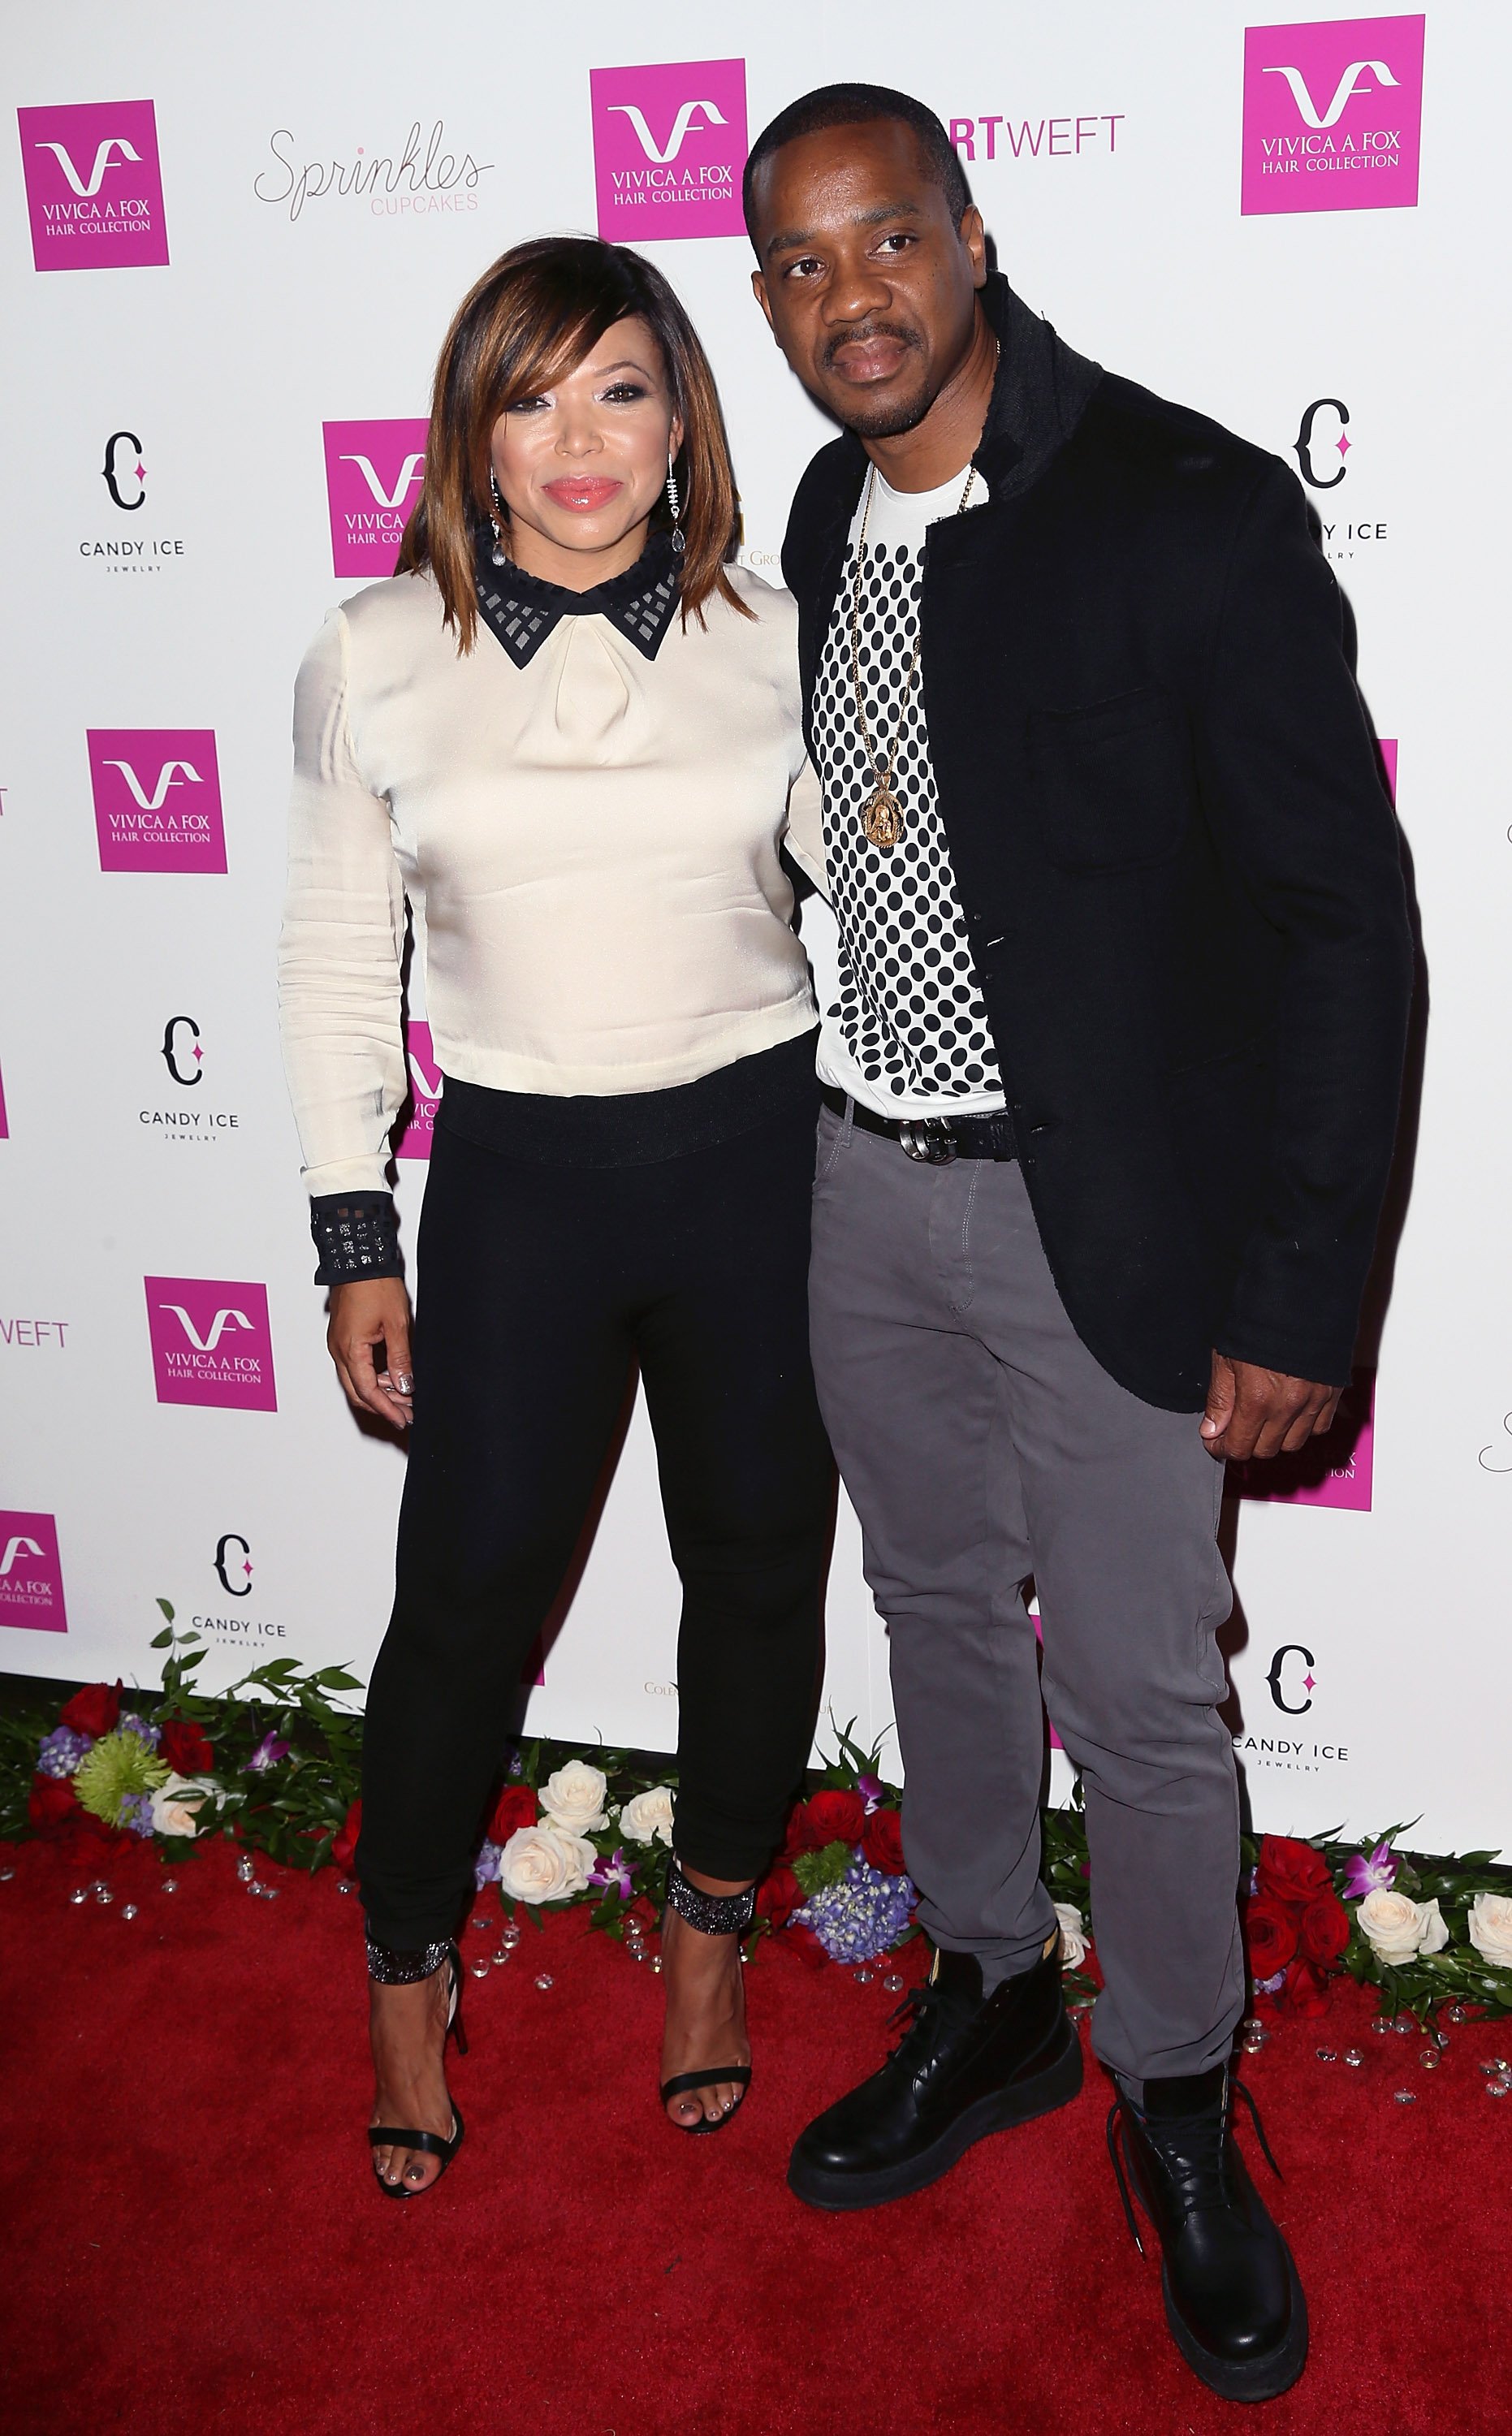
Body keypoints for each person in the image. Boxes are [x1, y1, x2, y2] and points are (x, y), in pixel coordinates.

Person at [744, 84, 1412, 2403]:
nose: (855, 298)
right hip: (859, 1183)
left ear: (968, 232)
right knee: (931, 1609)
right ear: (769, 302)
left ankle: (1172, 2095)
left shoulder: (1186, 512)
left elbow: (1344, 933)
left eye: (886, 241)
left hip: (1101, 1218)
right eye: (804, 267)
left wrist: (1292, 1291)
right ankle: (988, 1988)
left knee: (1136, 1692)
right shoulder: (823, 513)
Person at [278, 235, 833, 2196]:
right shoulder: (372, 652)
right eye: (532, 396)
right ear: (472, 434)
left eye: (621, 389)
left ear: (683, 416)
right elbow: (345, 963)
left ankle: (707, 1933)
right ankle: (409, 1972)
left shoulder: (779, 632)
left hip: (762, 1155)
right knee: (461, 1609)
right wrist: (357, 1232)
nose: (579, 441)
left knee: (760, 1566)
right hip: (515, 1178)